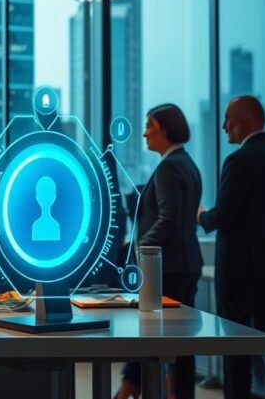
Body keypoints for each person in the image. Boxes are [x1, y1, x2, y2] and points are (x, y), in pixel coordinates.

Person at [199, 95, 265, 399]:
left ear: (247, 120)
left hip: (239, 267)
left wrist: (200, 214)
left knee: (235, 337)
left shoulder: (240, 160)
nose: (224, 126)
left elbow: (224, 215)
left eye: (228, 118)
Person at [118, 104, 203, 399]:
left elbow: (168, 219)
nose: (144, 133)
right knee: (180, 342)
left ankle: (132, 388)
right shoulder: (187, 163)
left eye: (149, 126)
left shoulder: (169, 166)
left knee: (157, 337)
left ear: (164, 130)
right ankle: (134, 387)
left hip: (167, 268)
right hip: (186, 262)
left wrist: (141, 251)